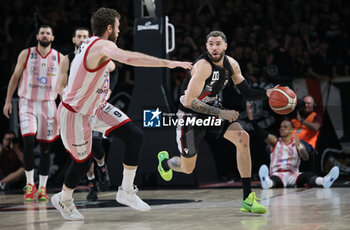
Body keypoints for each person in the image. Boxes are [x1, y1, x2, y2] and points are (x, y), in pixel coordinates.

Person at [51, 7, 192, 221]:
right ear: (109, 28)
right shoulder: (102, 45)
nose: (120, 29)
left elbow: (105, 68)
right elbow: (129, 58)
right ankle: (65, 199)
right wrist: (168, 62)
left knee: (134, 136)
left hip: (95, 106)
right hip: (75, 113)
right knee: (82, 162)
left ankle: (126, 190)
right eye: (118, 26)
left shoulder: (90, 44)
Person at [157, 31, 278, 214]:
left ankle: (247, 199)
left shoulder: (232, 65)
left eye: (218, 44)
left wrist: (268, 94)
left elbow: (247, 92)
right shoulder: (203, 67)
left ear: (225, 46)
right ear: (206, 47)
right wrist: (222, 112)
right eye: (211, 44)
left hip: (212, 112)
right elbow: (190, 101)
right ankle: (165, 163)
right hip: (190, 116)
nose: (214, 47)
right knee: (187, 168)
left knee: (243, 138)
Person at [3, 25, 64, 201]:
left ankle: (43, 187)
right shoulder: (26, 53)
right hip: (27, 102)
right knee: (28, 141)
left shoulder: (59, 57)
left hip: (48, 104)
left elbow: (61, 85)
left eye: (48, 33)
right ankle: (30, 184)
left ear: (52, 38)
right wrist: (8, 100)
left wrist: (65, 105)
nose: (45, 35)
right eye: (42, 32)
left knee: (46, 148)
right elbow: (15, 77)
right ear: (37, 36)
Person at [58, 27, 112, 202]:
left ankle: (102, 168)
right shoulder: (68, 59)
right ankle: (92, 184)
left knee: (96, 146)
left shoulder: (96, 55)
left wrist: (107, 89)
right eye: (79, 37)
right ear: (73, 40)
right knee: (85, 153)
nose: (82, 39)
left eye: (85, 37)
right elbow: (60, 85)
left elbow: (112, 68)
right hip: (76, 110)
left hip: (95, 106)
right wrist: (69, 100)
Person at [245, 103, 339, 189]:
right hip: (278, 173)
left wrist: (300, 147)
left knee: (307, 176)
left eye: (285, 127)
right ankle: (266, 182)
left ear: (291, 130)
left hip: (293, 174)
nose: (282, 128)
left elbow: (306, 157)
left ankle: (324, 181)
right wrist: (251, 119)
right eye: (281, 127)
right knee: (275, 181)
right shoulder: (275, 141)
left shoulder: (297, 143)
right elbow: (261, 133)